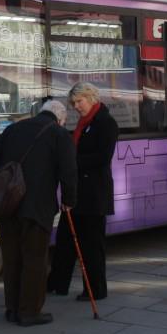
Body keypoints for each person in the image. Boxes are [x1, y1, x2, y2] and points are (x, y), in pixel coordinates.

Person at [0, 99, 77, 326]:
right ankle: (29, 312)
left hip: (8, 205)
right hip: (38, 207)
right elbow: (68, 171)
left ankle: (12, 308)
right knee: (35, 258)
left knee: (12, 257)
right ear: (61, 118)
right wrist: (68, 200)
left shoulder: (13, 129)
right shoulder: (58, 134)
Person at [47, 82, 117, 302]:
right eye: (74, 103)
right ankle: (57, 284)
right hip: (77, 192)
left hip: (94, 194)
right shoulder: (83, 123)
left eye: (79, 101)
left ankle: (96, 290)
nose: (76, 106)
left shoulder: (105, 122)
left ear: (91, 98)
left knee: (92, 245)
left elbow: (102, 158)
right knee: (65, 240)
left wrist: (71, 161)